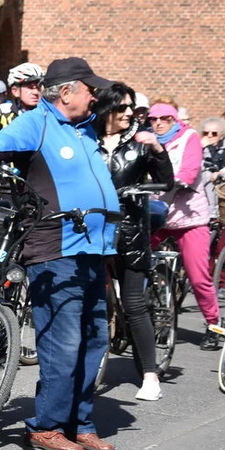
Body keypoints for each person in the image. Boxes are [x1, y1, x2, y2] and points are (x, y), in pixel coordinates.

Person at [0, 57, 120, 450]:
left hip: (93, 249)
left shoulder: (84, 131)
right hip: (56, 247)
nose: (94, 94)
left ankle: (78, 422)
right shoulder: (40, 121)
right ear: (66, 92)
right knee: (62, 343)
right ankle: (45, 425)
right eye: (89, 87)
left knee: (94, 340)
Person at [95, 83, 173, 402]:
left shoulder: (140, 140)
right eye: (122, 107)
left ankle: (150, 375)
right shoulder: (87, 140)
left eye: (131, 107)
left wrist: (156, 148)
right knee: (91, 304)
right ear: (106, 110)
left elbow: (166, 180)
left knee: (134, 305)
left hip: (130, 232)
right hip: (93, 231)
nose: (129, 113)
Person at [149, 103, 223, 350]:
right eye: (154, 118)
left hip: (189, 217)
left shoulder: (188, 137)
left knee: (198, 275)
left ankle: (214, 325)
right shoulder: (146, 139)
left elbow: (190, 169)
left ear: (174, 119)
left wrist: (178, 179)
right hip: (157, 214)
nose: (159, 122)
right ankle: (139, 317)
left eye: (165, 118)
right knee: (133, 262)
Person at [0, 62, 44, 127]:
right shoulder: (0, 113)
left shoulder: (48, 114)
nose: (36, 92)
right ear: (15, 91)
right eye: (30, 87)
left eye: (38, 87)